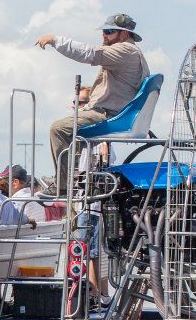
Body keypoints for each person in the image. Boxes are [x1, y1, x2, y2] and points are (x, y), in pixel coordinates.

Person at [37, 12, 148, 189]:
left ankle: (63, 186)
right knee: (74, 127)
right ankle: (75, 181)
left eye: (109, 31)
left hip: (108, 115)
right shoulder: (131, 53)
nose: (103, 35)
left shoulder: (124, 50)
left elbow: (89, 53)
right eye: (103, 31)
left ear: (124, 34)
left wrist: (55, 40)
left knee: (58, 129)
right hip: (113, 113)